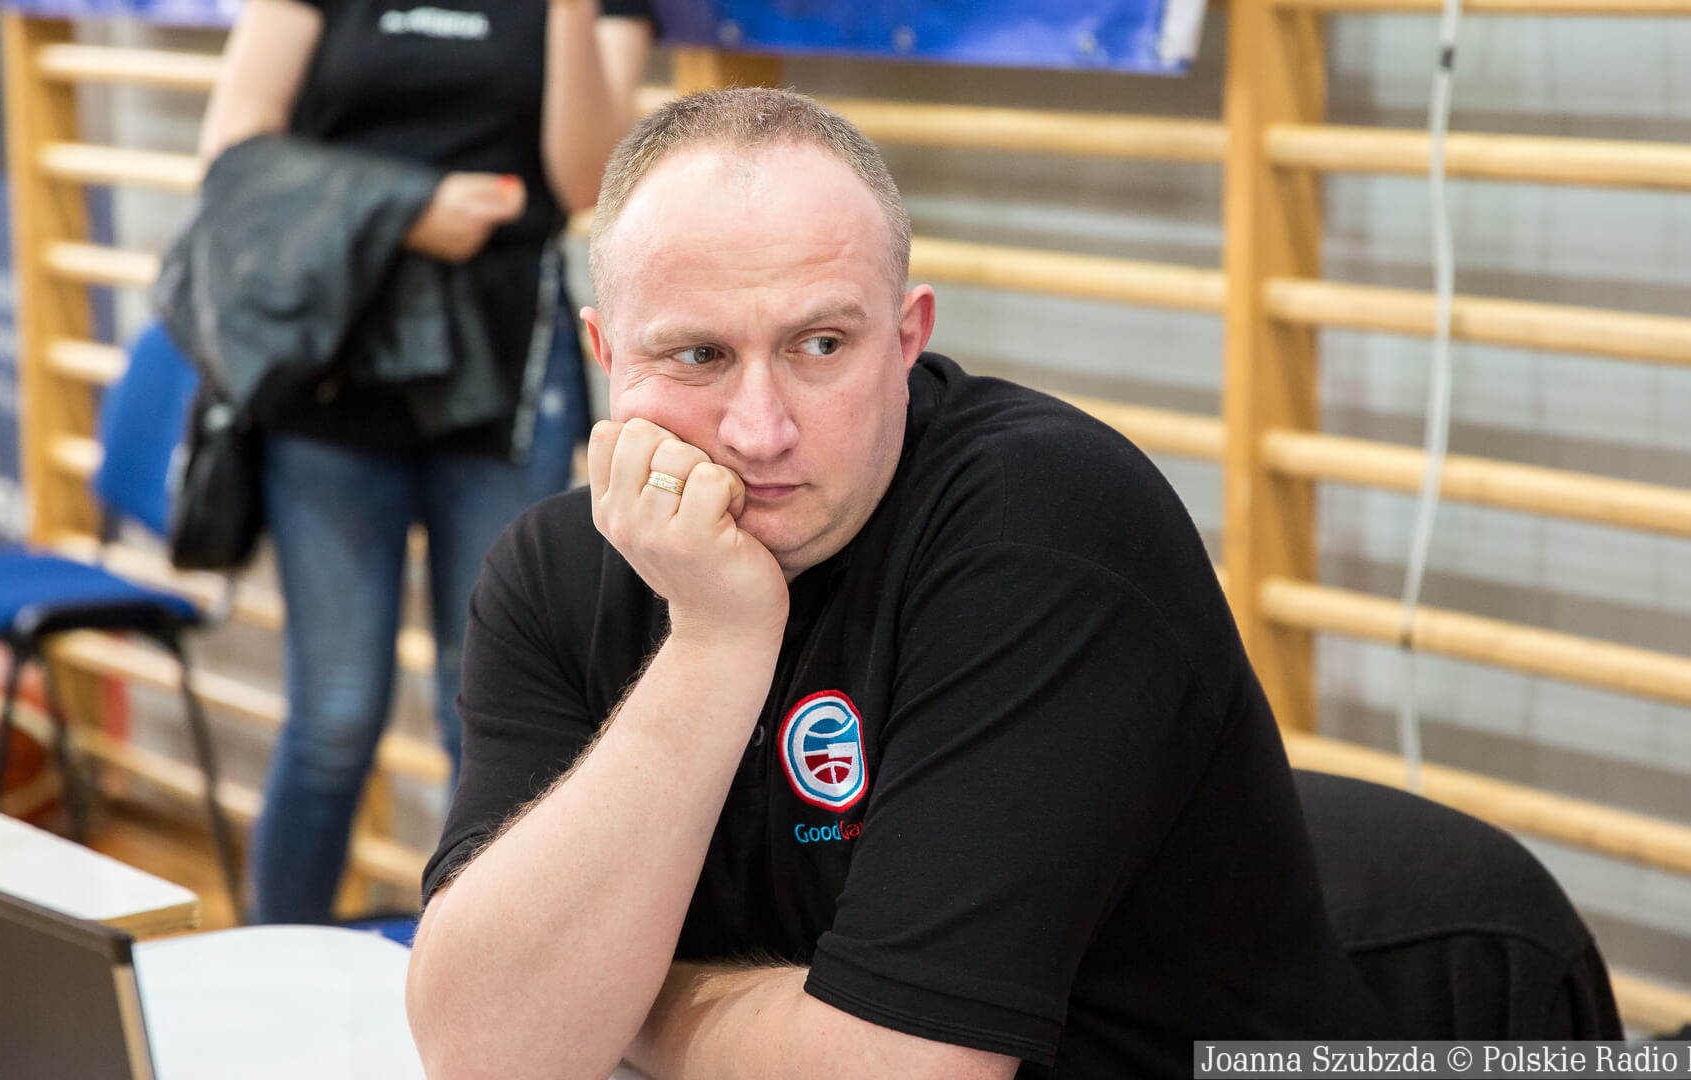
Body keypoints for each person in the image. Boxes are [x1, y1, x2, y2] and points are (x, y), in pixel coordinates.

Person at [406, 88, 1389, 1079]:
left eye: (821, 346)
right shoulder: (552, 571)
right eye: (698, 356)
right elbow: (484, 1051)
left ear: (908, 338)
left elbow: (902, 1072)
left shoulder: (1042, 524)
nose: (760, 431)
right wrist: (715, 640)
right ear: (607, 354)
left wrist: (618, 1003)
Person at [194, 0, 654, 924]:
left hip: (502, 365)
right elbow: (234, 144)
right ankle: (263, 972)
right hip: (335, 361)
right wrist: (407, 208)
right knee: (332, 720)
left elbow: (587, 182)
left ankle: (483, 982)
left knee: (486, 717)